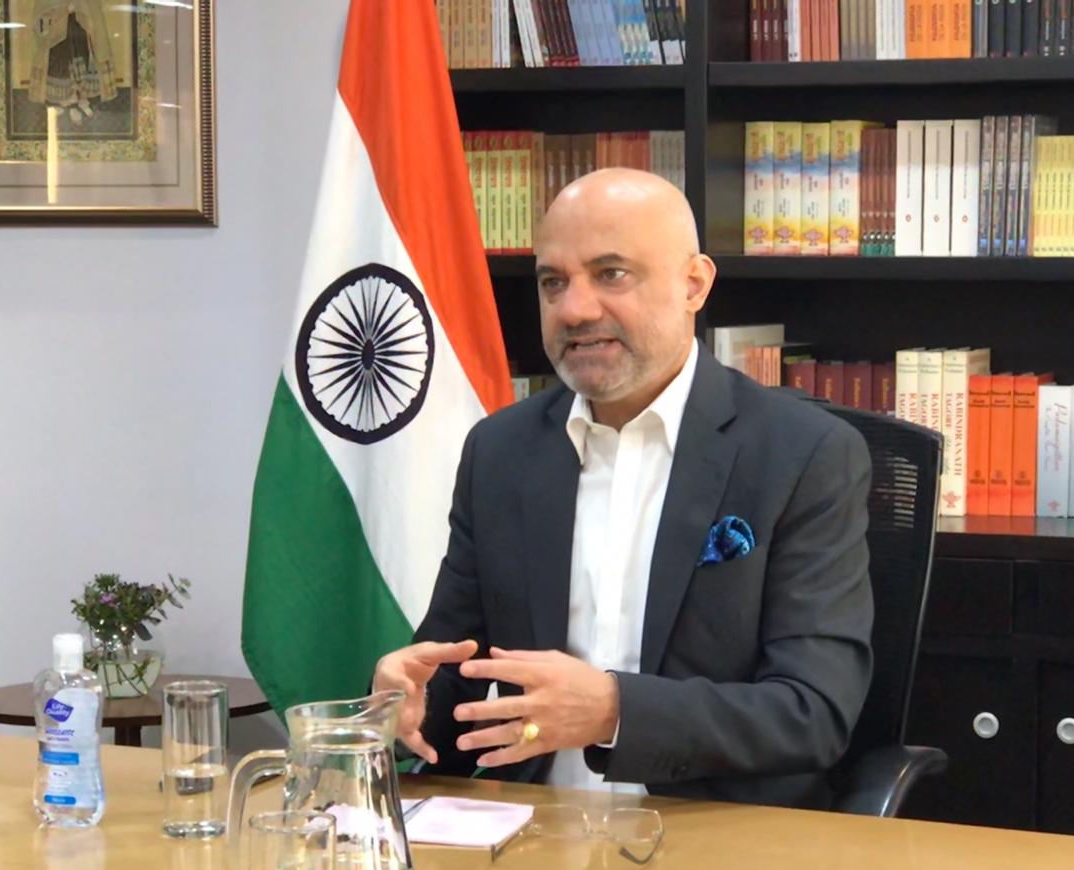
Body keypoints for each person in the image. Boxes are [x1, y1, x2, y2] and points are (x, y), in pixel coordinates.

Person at [372, 168, 873, 808]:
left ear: (694, 284)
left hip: (718, 832)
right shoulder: (500, 452)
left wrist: (614, 710)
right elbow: (455, 675)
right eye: (553, 283)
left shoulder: (803, 453)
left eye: (611, 274)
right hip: (533, 834)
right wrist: (406, 701)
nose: (574, 310)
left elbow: (813, 713)